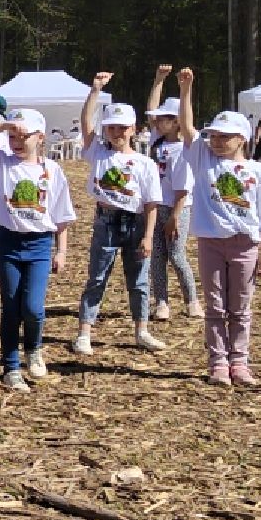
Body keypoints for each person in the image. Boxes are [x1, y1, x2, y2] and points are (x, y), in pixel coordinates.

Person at [176, 70, 261, 387]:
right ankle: (218, 364)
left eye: (225, 136)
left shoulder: (258, 171)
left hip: (245, 245)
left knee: (241, 307)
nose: (217, 141)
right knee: (215, 306)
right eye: (214, 136)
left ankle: (240, 362)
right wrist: (186, 90)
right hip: (211, 243)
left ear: (243, 139)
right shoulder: (203, 159)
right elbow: (186, 128)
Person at [0, 107, 76, 392]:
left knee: (33, 308)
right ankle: (11, 368)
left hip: (40, 244)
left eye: (24, 136)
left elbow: (62, 215)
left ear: (40, 137)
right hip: (8, 242)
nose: (17, 141)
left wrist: (61, 251)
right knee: (11, 306)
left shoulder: (52, 170)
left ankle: (34, 348)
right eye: (13, 136)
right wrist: (3, 126)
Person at [69, 76, 166, 358]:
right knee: (97, 277)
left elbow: (151, 203)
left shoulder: (145, 163)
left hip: (135, 223)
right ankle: (84, 333)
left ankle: (141, 330)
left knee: (138, 281)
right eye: (111, 127)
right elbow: (86, 122)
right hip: (106, 221)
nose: (117, 132)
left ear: (134, 129)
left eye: (122, 127)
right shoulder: (98, 152)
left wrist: (148, 236)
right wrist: (95, 91)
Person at [144, 66, 203, 321]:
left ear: (177, 121)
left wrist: (175, 217)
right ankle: (161, 303)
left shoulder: (184, 149)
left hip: (177, 208)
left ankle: (192, 301)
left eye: (164, 118)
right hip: (156, 207)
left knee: (177, 255)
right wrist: (158, 80)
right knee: (157, 257)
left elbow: (183, 189)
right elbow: (151, 109)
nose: (157, 122)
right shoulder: (157, 140)